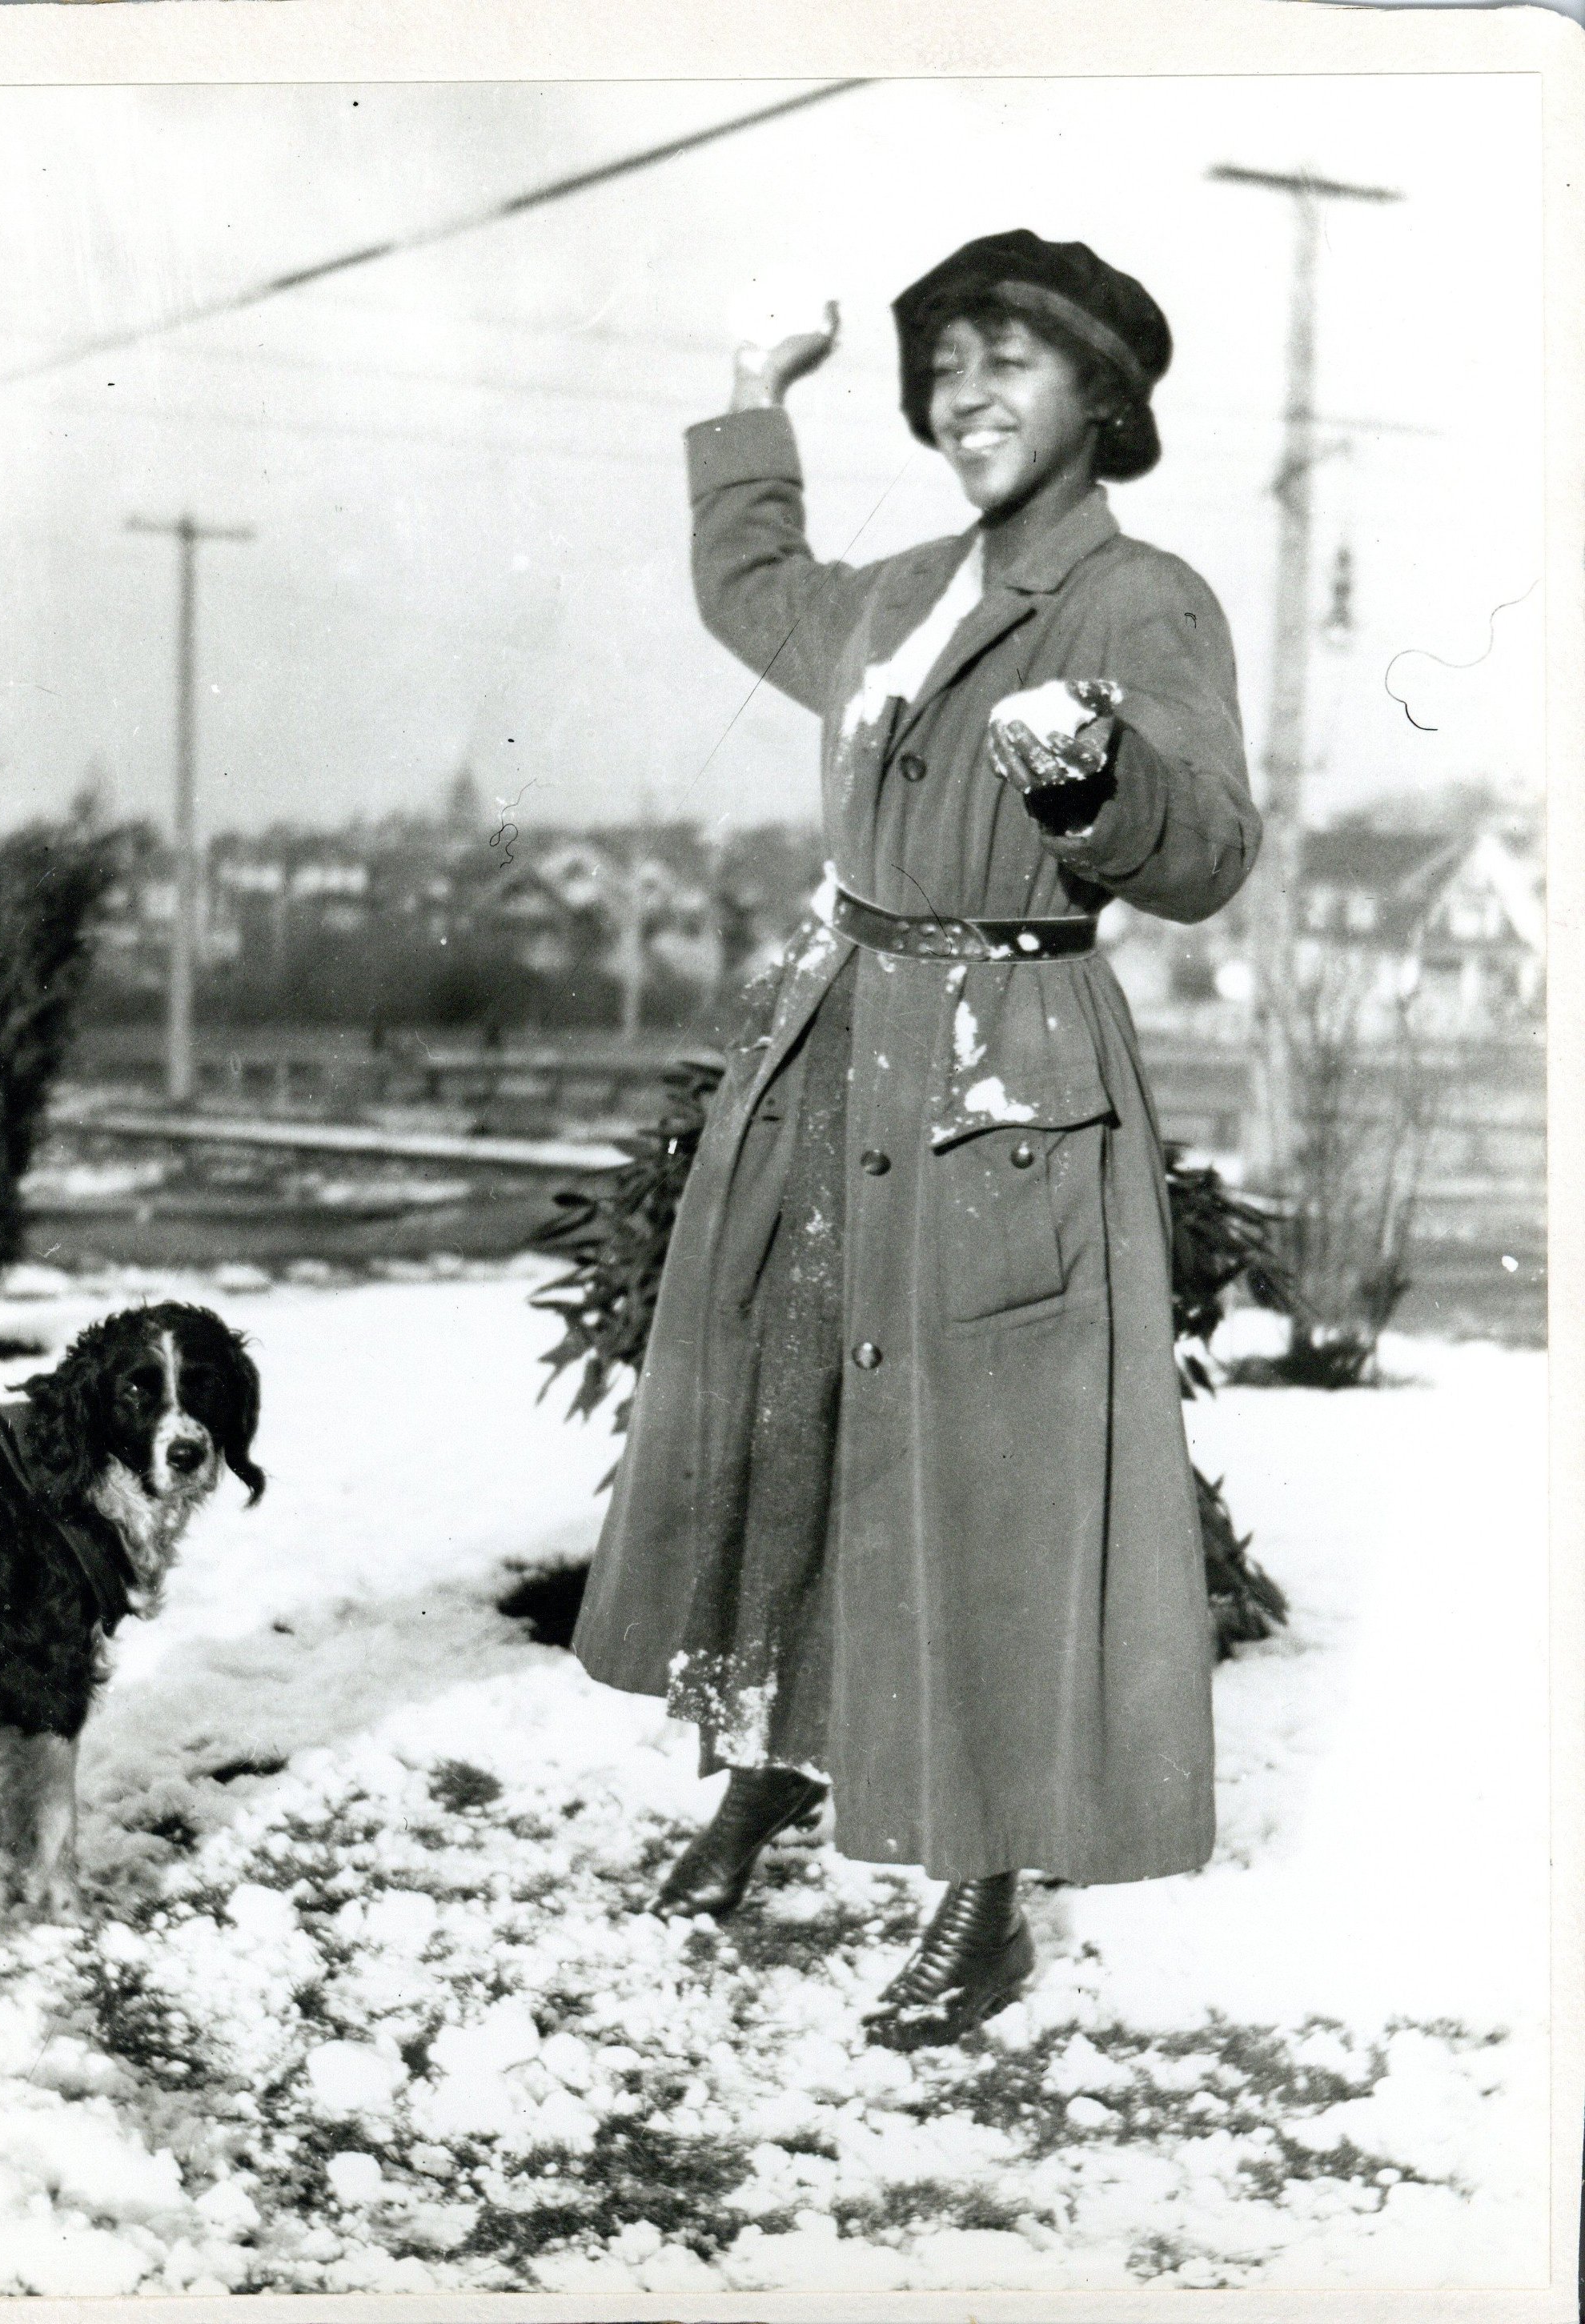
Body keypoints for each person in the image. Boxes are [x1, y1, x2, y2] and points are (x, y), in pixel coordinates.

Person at [572, 230, 1260, 2050]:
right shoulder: (904, 596)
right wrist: (749, 393)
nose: (968, 392)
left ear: (1098, 398)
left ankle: (986, 1879)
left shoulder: (1140, 602)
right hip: (838, 1051)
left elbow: (1202, 854)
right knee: (798, 1420)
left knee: (986, 1481)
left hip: (1000, 1084)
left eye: (1011, 359)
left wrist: (1092, 782)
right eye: (945, 363)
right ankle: (784, 1760)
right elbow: (751, 590)